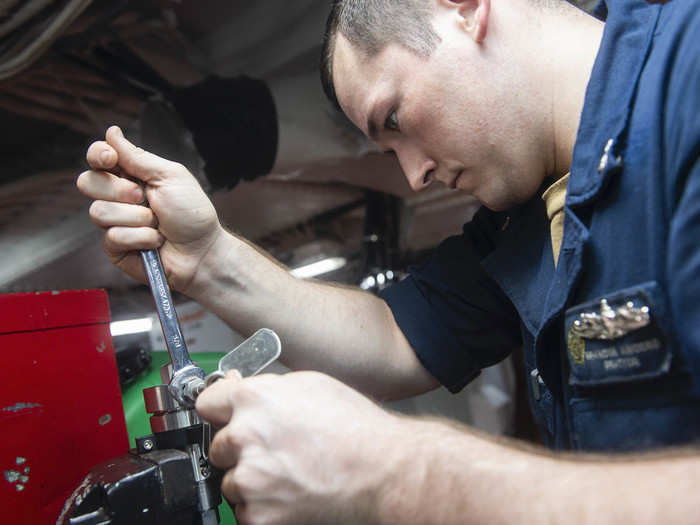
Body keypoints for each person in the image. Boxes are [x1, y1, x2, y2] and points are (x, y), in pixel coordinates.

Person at [77, 0, 700, 523]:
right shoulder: (525, 221)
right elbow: (396, 337)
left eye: (395, 118)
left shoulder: (688, 86)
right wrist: (209, 259)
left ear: (464, 8)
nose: (414, 174)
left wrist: (395, 473)